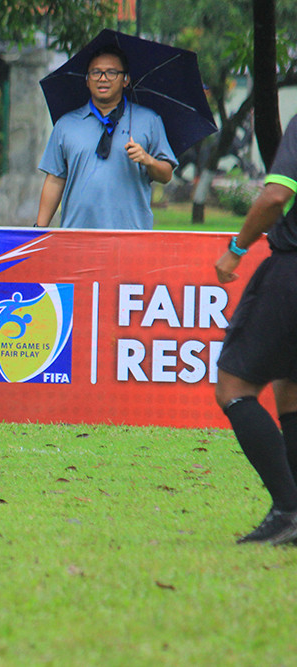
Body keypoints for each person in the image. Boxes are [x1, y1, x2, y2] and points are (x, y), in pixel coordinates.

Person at [212, 114, 297, 545]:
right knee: (291, 389)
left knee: (234, 388)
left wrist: (236, 248)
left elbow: (276, 196)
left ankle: (288, 509)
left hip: (291, 270)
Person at [35, 45, 177, 230]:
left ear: (125, 79)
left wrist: (147, 160)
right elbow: (55, 179)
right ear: (87, 80)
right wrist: (38, 230)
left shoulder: (148, 120)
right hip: (77, 233)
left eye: (112, 73)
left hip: (130, 234)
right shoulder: (66, 125)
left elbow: (166, 174)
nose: (103, 79)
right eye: (96, 73)